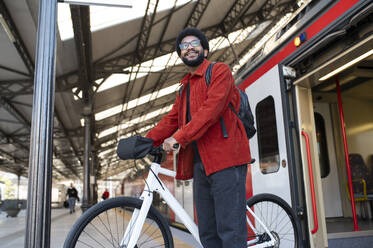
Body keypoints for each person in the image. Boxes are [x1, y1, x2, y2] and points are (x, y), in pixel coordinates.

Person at [146, 28, 251, 248]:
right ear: (181, 55)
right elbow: (172, 119)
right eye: (184, 46)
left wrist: (179, 137)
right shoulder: (184, 88)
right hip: (199, 163)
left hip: (226, 159)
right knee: (208, 232)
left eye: (194, 43)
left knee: (230, 231)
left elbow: (210, 110)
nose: (189, 48)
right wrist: (145, 141)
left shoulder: (219, 71)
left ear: (204, 48)